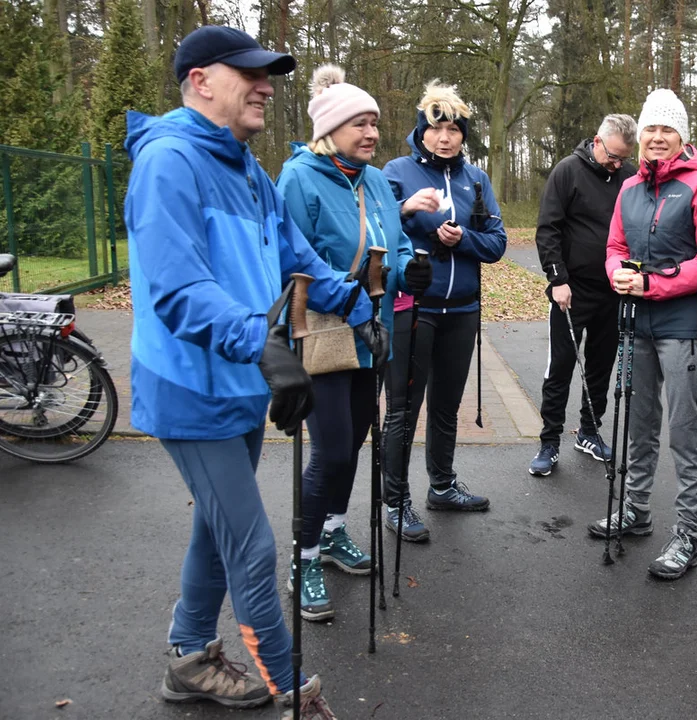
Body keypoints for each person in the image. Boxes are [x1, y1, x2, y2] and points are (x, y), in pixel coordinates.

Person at [125, 25, 387, 718]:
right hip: (191, 388)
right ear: (200, 80)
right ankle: (292, 690)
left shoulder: (245, 168)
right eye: (249, 72)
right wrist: (263, 344)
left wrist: (363, 305)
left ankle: (188, 656)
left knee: (217, 529)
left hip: (241, 381)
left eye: (268, 73)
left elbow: (297, 258)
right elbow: (177, 289)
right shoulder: (169, 162)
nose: (266, 85)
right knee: (250, 543)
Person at [276, 65, 433, 622]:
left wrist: (411, 269)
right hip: (322, 332)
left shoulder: (374, 182)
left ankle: (335, 531)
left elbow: (395, 244)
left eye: (374, 123)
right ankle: (304, 556)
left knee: (358, 437)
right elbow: (290, 260)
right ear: (331, 127)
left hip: (371, 334)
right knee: (332, 448)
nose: (371, 133)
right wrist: (349, 299)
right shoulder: (300, 178)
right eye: (359, 123)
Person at [588, 89, 697, 580]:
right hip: (635, 324)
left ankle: (687, 536)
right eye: (650, 129)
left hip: (683, 327)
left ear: (681, 137)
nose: (656, 138)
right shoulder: (629, 189)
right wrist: (616, 273)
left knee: (685, 433)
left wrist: (652, 283)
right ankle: (636, 510)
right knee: (639, 423)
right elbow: (615, 244)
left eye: (667, 130)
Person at [380, 80, 508, 542]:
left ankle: (442, 485)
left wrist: (462, 240)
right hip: (413, 308)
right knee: (403, 410)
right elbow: (373, 226)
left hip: (463, 309)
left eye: (454, 128)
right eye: (437, 128)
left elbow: (496, 243)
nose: (446, 137)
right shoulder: (396, 171)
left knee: (446, 407)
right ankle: (394, 501)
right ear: (422, 130)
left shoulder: (477, 180)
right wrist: (408, 212)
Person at [528, 114, 638, 477]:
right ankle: (549, 441)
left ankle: (589, 432)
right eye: (613, 156)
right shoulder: (568, 171)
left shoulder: (628, 176)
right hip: (571, 290)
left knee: (601, 366)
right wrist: (557, 278)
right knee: (560, 367)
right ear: (597, 141)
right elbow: (548, 229)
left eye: (624, 157)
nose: (617, 163)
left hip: (614, 291)